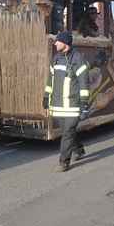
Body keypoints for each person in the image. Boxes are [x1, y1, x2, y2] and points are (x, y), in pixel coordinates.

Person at [43, 31, 90, 172]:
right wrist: (46, 97)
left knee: (68, 133)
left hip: (73, 105)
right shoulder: (56, 59)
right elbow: (50, 81)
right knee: (67, 132)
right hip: (58, 106)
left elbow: (84, 84)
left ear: (65, 43)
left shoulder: (78, 59)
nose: (55, 43)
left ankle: (64, 162)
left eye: (58, 41)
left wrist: (84, 104)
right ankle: (79, 150)